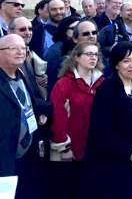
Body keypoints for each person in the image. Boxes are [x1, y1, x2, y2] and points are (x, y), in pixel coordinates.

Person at [82, 42, 132, 199]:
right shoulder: (107, 91)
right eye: (126, 61)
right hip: (113, 164)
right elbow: (101, 133)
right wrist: (129, 152)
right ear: (116, 64)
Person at [49, 41, 105, 199]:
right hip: (72, 150)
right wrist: (64, 148)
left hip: (95, 149)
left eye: (96, 54)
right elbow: (58, 118)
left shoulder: (101, 83)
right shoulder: (64, 84)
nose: (93, 57)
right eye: (89, 54)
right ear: (76, 57)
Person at [0, 34, 51, 199]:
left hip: (28, 157)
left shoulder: (21, 75)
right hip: (5, 161)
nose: (20, 52)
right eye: (13, 48)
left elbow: (28, 104)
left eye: (23, 48)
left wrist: (44, 110)